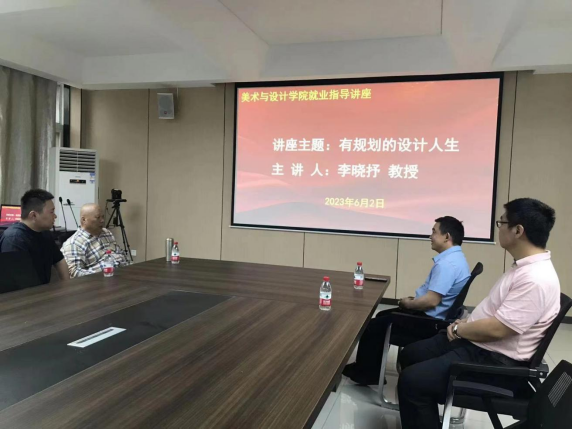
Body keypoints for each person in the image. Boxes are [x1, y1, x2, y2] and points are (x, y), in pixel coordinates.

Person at [398, 198, 560, 429]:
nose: (499, 228)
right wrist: (465, 324)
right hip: (480, 343)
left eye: (501, 223)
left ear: (518, 231)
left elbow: (498, 329)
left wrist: (459, 329)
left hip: (494, 359)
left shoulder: (536, 278)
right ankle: (424, 411)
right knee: (411, 354)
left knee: (412, 381)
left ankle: (422, 404)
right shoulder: (523, 267)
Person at [343, 216, 471, 385]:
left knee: (373, 326)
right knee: (381, 316)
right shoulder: (457, 259)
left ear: (447, 237)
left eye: (434, 232)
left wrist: (407, 303)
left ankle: (367, 373)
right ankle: (369, 368)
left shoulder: (447, 264)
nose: (430, 236)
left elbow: (431, 301)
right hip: (436, 317)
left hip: (429, 321)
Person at [0, 189, 70, 284]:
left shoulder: (45, 233)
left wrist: (66, 285)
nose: (55, 216)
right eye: (51, 212)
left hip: (42, 290)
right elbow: (19, 281)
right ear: (33, 215)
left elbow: (60, 261)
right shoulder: (14, 239)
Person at [61, 203, 129, 277]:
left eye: (103, 217)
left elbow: (119, 253)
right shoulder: (74, 243)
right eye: (98, 217)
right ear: (84, 220)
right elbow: (75, 273)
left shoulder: (106, 232)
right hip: (101, 280)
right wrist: (102, 273)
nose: (102, 220)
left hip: (122, 273)